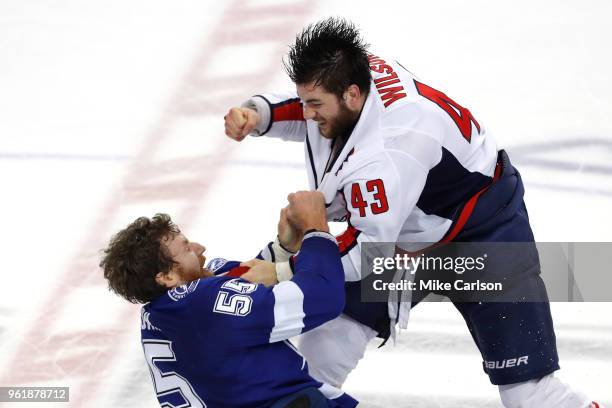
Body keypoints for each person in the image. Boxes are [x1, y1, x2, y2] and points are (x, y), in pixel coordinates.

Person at [223, 17, 598, 408]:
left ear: (352, 94)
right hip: (404, 235)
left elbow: (368, 253)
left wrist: (284, 269)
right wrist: (260, 114)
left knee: (530, 394)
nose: (308, 113)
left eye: (315, 105)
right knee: (315, 365)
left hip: (481, 238)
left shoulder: (392, 148)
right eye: (306, 101)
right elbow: (314, 112)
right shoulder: (353, 77)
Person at [100, 191, 358, 408]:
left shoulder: (163, 313)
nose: (200, 248)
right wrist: (316, 228)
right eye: (187, 248)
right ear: (165, 276)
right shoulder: (203, 302)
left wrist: (282, 248)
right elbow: (323, 297)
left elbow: (235, 286)